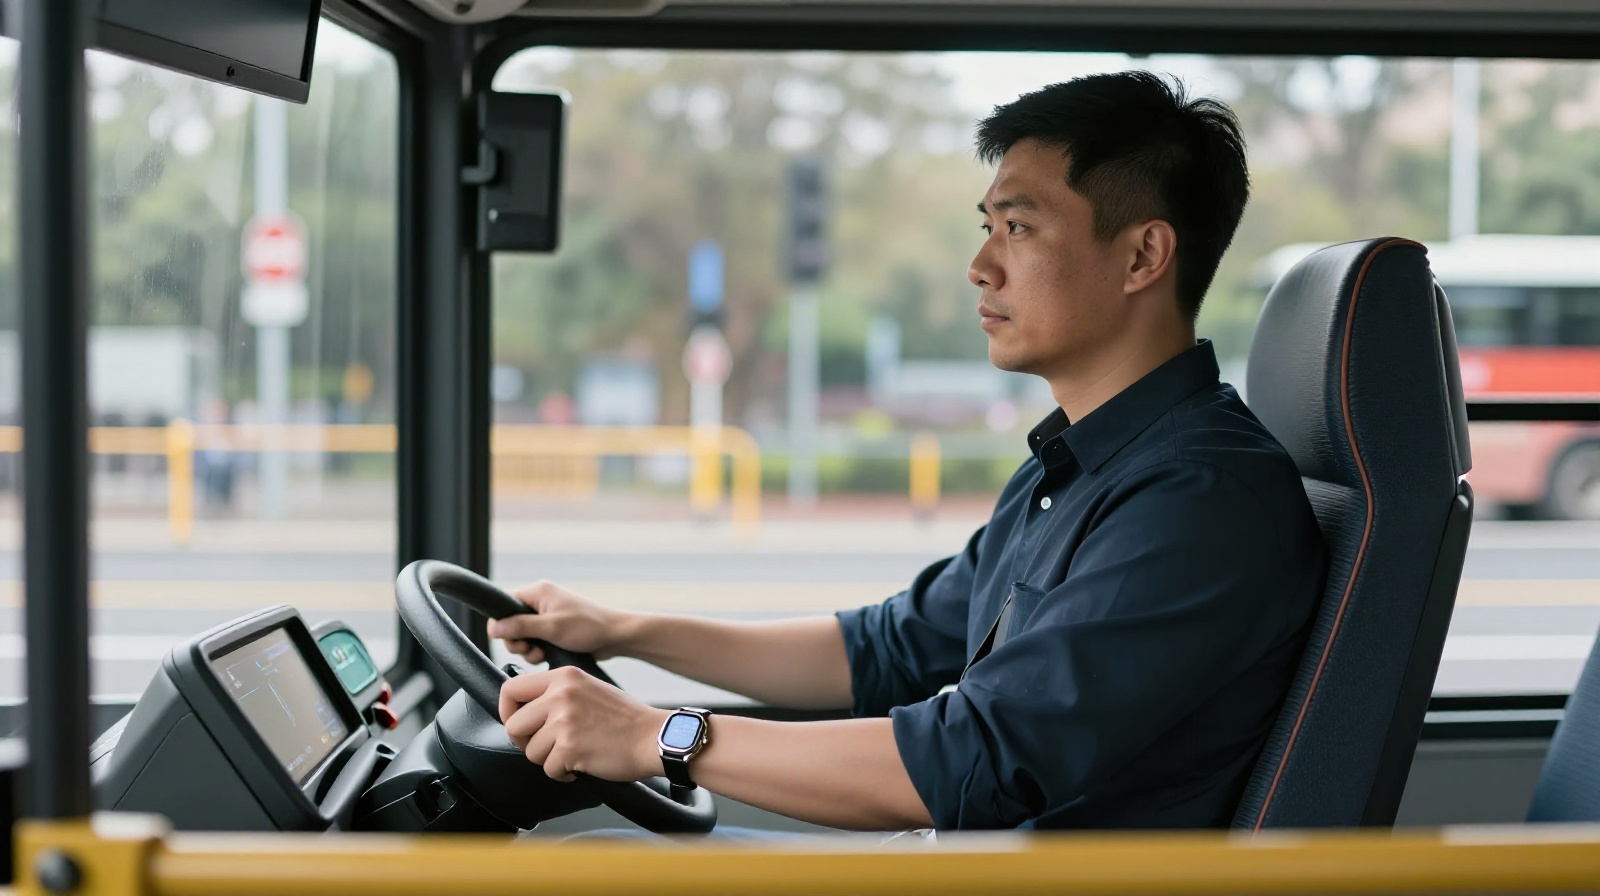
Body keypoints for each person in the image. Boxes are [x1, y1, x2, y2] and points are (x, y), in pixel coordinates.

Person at [490, 71, 1326, 832]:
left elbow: (975, 759)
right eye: (987, 227)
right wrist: (623, 631)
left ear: (1142, 255)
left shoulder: (1200, 497)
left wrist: (656, 736)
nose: (980, 266)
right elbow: (883, 650)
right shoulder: (1078, 465)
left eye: (1019, 227)